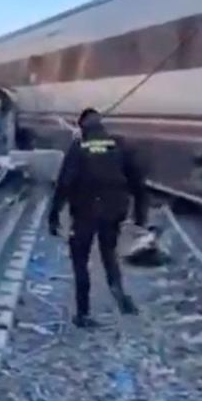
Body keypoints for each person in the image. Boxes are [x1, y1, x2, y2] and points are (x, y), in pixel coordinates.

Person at [48, 107, 147, 328]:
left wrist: (53, 216)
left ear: (82, 127)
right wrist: (141, 216)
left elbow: (64, 183)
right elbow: (138, 183)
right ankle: (120, 294)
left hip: (85, 211)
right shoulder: (119, 145)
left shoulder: (79, 147)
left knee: (80, 259)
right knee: (108, 252)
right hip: (114, 210)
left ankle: (83, 313)